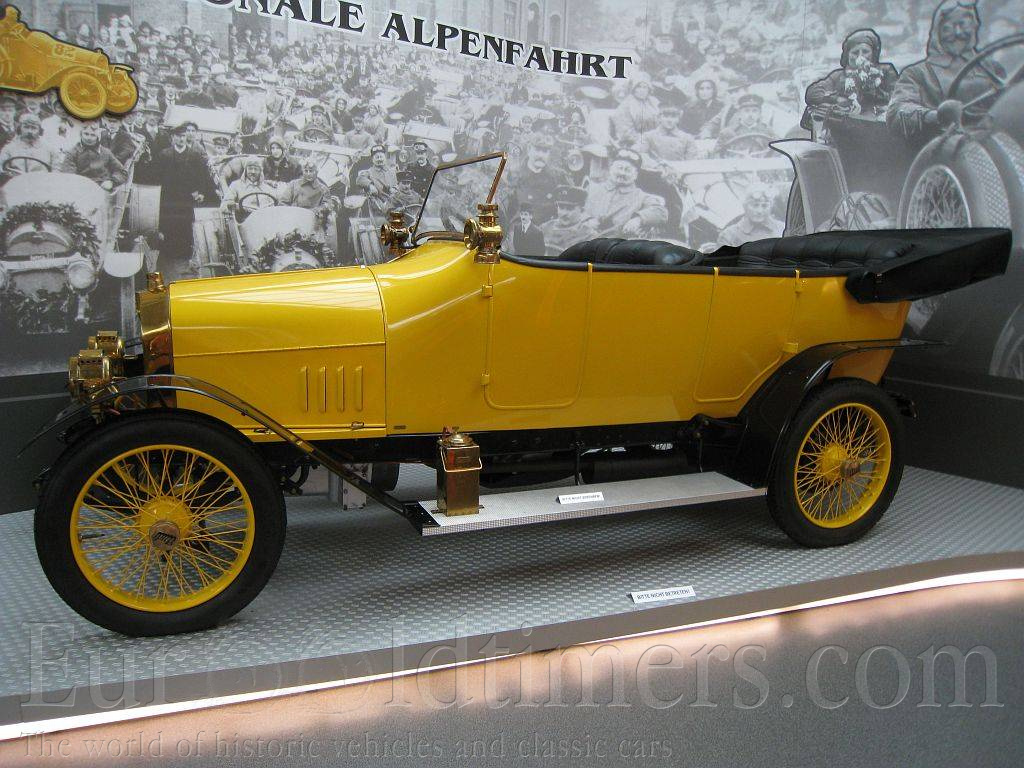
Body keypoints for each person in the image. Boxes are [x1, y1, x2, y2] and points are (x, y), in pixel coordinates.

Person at [886, 0, 1002, 141]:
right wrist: (935, 116)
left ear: (973, 27)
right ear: (937, 31)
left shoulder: (991, 69)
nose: (958, 32)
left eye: (963, 25)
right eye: (949, 28)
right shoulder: (918, 73)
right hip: (945, 145)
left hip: (994, 140)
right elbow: (897, 112)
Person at [155, 124, 218, 281]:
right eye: (178, 136)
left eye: (183, 136)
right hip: (168, 198)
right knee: (169, 224)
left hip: (186, 198)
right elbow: (157, 177)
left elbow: (202, 177)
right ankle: (169, 254)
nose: (181, 139)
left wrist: (201, 192)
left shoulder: (194, 156)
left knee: (185, 224)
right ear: (173, 137)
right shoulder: (164, 155)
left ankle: (185, 254)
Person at [802, 29, 899, 130]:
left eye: (865, 52)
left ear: (873, 54)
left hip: (877, 126)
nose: (860, 56)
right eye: (855, 53)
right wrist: (837, 99)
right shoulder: (839, 76)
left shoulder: (885, 71)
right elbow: (812, 93)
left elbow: (897, 97)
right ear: (848, 55)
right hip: (846, 128)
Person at [583, 148, 668, 237]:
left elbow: (661, 212)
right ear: (611, 169)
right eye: (619, 168)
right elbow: (575, 208)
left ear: (635, 175)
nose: (622, 173)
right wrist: (586, 219)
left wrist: (638, 219)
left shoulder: (640, 196)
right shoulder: (592, 188)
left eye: (628, 170)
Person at [515, 133, 568, 225]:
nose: (541, 155)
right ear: (529, 149)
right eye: (537, 150)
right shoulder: (514, 176)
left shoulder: (558, 177)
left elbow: (569, 206)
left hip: (551, 229)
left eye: (545, 151)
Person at [59, 122, 127, 190]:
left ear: (98, 137)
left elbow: (122, 172)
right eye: (86, 134)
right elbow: (68, 175)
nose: (89, 138)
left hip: (102, 189)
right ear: (81, 134)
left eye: (93, 135)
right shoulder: (72, 152)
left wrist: (112, 182)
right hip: (80, 188)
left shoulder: (106, 152)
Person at [718, 184, 783, 246]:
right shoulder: (729, 235)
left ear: (771, 207)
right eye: (755, 205)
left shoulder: (782, 229)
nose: (759, 211)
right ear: (745, 206)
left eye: (764, 206)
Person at [541, 186, 597, 257]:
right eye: (561, 208)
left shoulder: (588, 235)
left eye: (570, 209)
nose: (564, 213)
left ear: (581, 209)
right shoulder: (545, 228)